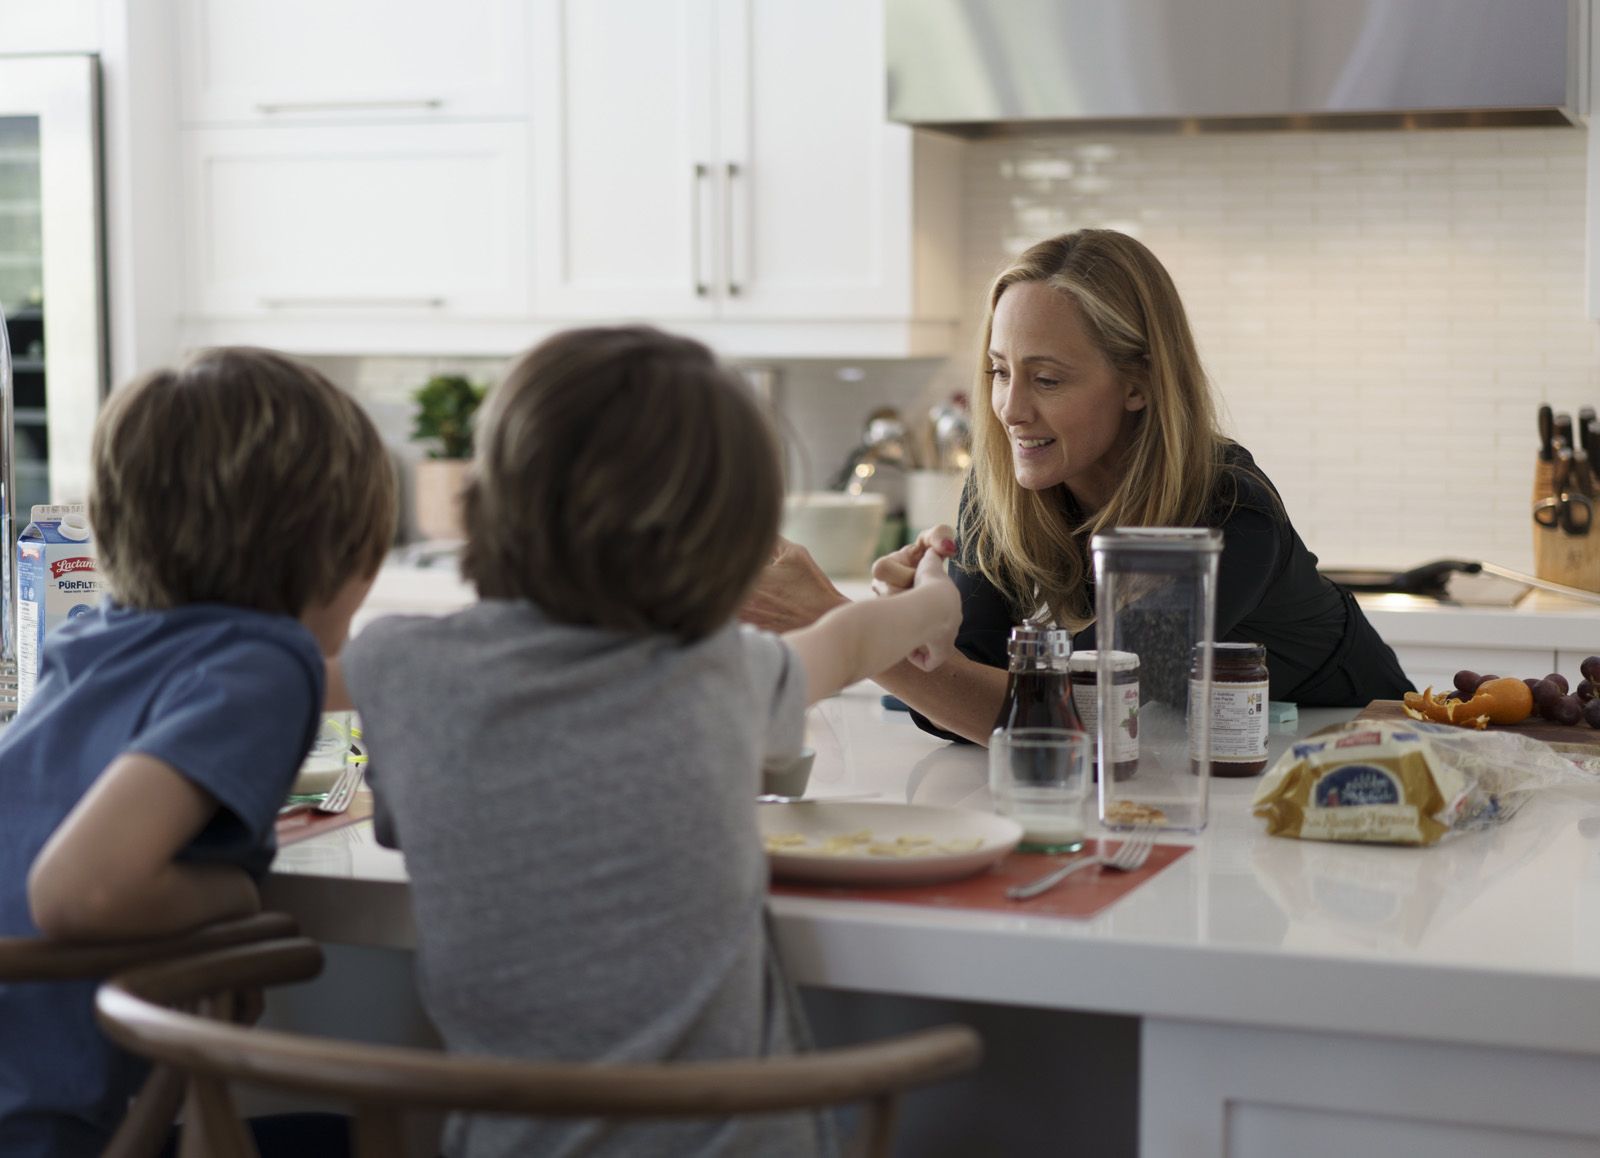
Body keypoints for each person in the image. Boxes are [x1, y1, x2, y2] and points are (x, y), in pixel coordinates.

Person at [342, 325, 959, 1158]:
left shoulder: (395, 664)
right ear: (728, 542)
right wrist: (934, 605)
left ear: (489, 499)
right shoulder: (714, 677)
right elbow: (850, 642)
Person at [744, 229, 1411, 745]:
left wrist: (843, 626)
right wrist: (916, 628)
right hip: (1195, 767)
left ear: (1139, 382)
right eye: (1000, 372)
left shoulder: (1228, 514)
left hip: (1354, 746)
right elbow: (961, 707)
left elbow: (1080, 712)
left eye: (1048, 379)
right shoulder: (1005, 483)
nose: (1009, 409)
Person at [0, 348, 397, 1156]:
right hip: (42, 1135)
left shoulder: (101, 636)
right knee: (366, 1133)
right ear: (346, 557)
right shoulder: (262, 660)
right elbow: (81, 890)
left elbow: (336, 685)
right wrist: (234, 907)